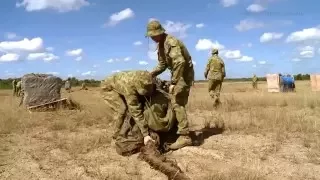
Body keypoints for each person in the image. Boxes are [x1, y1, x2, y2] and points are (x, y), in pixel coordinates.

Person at [145, 20, 194, 150]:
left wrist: (174, 82)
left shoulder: (171, 42)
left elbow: (180, 62)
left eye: (154, 35)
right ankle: (177, 130)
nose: (153, 37)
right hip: (178, 73)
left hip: (183, 74)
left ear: (160, 32)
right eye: (151, 36)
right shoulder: (161, 46)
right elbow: (162, 65)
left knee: (177, 101)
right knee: (173, 101)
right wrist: (151, 74)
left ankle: (185, 136)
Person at [100, 70, 156, 146]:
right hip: (108, 88)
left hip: (120, 85)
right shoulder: (130, 89)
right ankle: (115, 136)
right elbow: (135, 111)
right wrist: (146, 134)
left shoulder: (146, 77)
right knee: (122, 110)